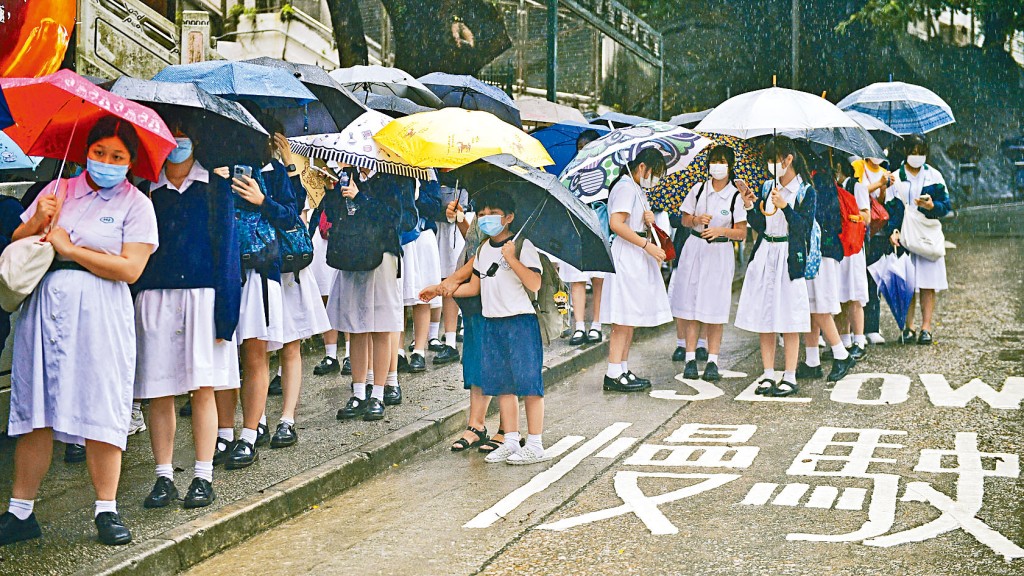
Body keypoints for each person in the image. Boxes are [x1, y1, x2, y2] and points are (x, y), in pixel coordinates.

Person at [1, 116, 158, 546]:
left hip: (102, 311)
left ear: (130, 162)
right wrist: (38, 222)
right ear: (85, 151)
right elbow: (16, 240)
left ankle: (106, 509)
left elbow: (131, 268)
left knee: (100, 404)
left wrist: (73, 249)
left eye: (117, 156)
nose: (106, 162)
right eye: (99, 152)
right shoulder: (58, 190)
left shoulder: (136, 205)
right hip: (46, 307)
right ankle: (20, 511)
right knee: (35, 406)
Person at [134, 129, 240, 510]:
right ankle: (163, 477)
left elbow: (229, 253)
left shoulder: (215, 187)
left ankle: (202, 474)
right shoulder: (146, 189)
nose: (178, 139)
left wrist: (226, 315)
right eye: (171, 132)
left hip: (203, 298)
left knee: (203, 388)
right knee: (158, 391)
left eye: (185, 133)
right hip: (156, 297)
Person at [212, 130, 296, 470]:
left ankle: (249, 434)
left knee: (254, 353)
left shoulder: (273, 171)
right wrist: (216, 186)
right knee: (221, 354)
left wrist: (263, 200)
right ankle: (222, 432)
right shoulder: (213, 169)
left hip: (260, 270)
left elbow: (291, 216)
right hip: (221, 271)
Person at [450, 191, 547, 464]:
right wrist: (446, 289)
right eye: (481, 215)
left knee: (529, 384)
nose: (485, 219)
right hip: (492, 323)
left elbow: (534, 284)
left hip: (520, 323)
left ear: (509, 217)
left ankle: (536, 443)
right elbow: (476, 286)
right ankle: (512, 440)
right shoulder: (482, 249)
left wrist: (513, 258)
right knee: (504, 385)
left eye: (492, 214)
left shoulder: (523, 245)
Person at [264, 129, 331, 448]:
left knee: (290, 345)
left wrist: (289, 165)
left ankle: (287, 418)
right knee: (257, 349)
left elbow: (292, 211)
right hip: (256, 270)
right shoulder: (232, 171)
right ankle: (257, 421)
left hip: (286, 266)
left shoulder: (277, 171)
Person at [734, 136, 815, 398]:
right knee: (765, 316)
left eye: (774, 159)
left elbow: (803, 228)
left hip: (789, 256)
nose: (771, 165)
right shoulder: (768, 186)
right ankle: (768, 373)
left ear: (788, 159)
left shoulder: (805, 191)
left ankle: (789, 376)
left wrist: (786, 207)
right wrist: (749, 203)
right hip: (766, 253)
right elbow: (761, 224)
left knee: (790, 317)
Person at [328, 167, 406, 422]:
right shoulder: (346, 174)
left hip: (381, 256)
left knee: (380, 327)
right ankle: (359, 391)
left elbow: (393, 218)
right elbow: (331, 215)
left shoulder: (390, 177)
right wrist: (332, 193)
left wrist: (360, 196)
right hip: (351, 256)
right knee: (356, 327)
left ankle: (379, 393)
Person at [668, 146, 746, 382]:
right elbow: (683, 219)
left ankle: (713, 360)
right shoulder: (698, 189)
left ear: (730, 166)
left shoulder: (735, 195)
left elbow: (741, 233)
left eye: (722, 161)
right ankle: (690, 358)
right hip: (695, 250)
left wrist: (721, 230)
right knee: (690, 305)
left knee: (715, 308)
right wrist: (696, 220)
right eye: (714, 161)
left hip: (720, 253)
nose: (717, 166)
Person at [600, 148, 671, 393]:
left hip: (636, 253)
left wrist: (648, 222)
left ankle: (622, 368)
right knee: (622, 318)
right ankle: (613, 372)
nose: (657, 179)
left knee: (629, 317)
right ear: (642, 167)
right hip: (627, 254)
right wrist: (647, 245)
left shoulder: (636, 188)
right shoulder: (625, 187)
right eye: (656, 173)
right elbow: (616, 224)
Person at [796, 154, 855, 383]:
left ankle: (841, 354)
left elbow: (821, 219)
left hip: (822, 252)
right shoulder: (818, 180)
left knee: (820, 306)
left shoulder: (818, 182)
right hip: (819, 251)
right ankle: (812, 360)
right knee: (811, 306)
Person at [888, 134, 951, 345]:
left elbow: (946, 206)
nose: (917, 156)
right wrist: (893, 230)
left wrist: (933, 207)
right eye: (913, 152)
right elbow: (891, 208)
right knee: (907, 282)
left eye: (920, 152)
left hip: (926, 235)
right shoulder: (896, 177)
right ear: (905, 152)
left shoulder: (934, 176)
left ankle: (926, 327)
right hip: (906, 234)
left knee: (927, 283)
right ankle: (908, 327)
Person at [562, 129, 607, 347]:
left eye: (587, 147)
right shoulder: (569, 174)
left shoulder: (610, 173)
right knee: (577, 279)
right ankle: (579, 326)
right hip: (576, 231)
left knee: (600, 278)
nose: (583, 152)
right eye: (580, 148)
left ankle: (596, 324)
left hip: (600, 231)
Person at [835, 156, 872, 360]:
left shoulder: (857, 187)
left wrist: (849, 211)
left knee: (854, 295)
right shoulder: (830, 188)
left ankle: (859, 340)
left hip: (854, 246)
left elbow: (866, 217)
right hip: (839, 246)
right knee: (840, 294)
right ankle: (844, 339)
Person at [858, 155, 896, 345]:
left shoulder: (885, 173)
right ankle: (856, 328)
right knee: (857, 281)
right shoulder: (859, 167)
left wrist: (883, 187)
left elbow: (882, 204)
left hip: (878, 232)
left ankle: (872, 326)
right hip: (859, 230)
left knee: (874, 279)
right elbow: (857, 192)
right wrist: (877, 184)